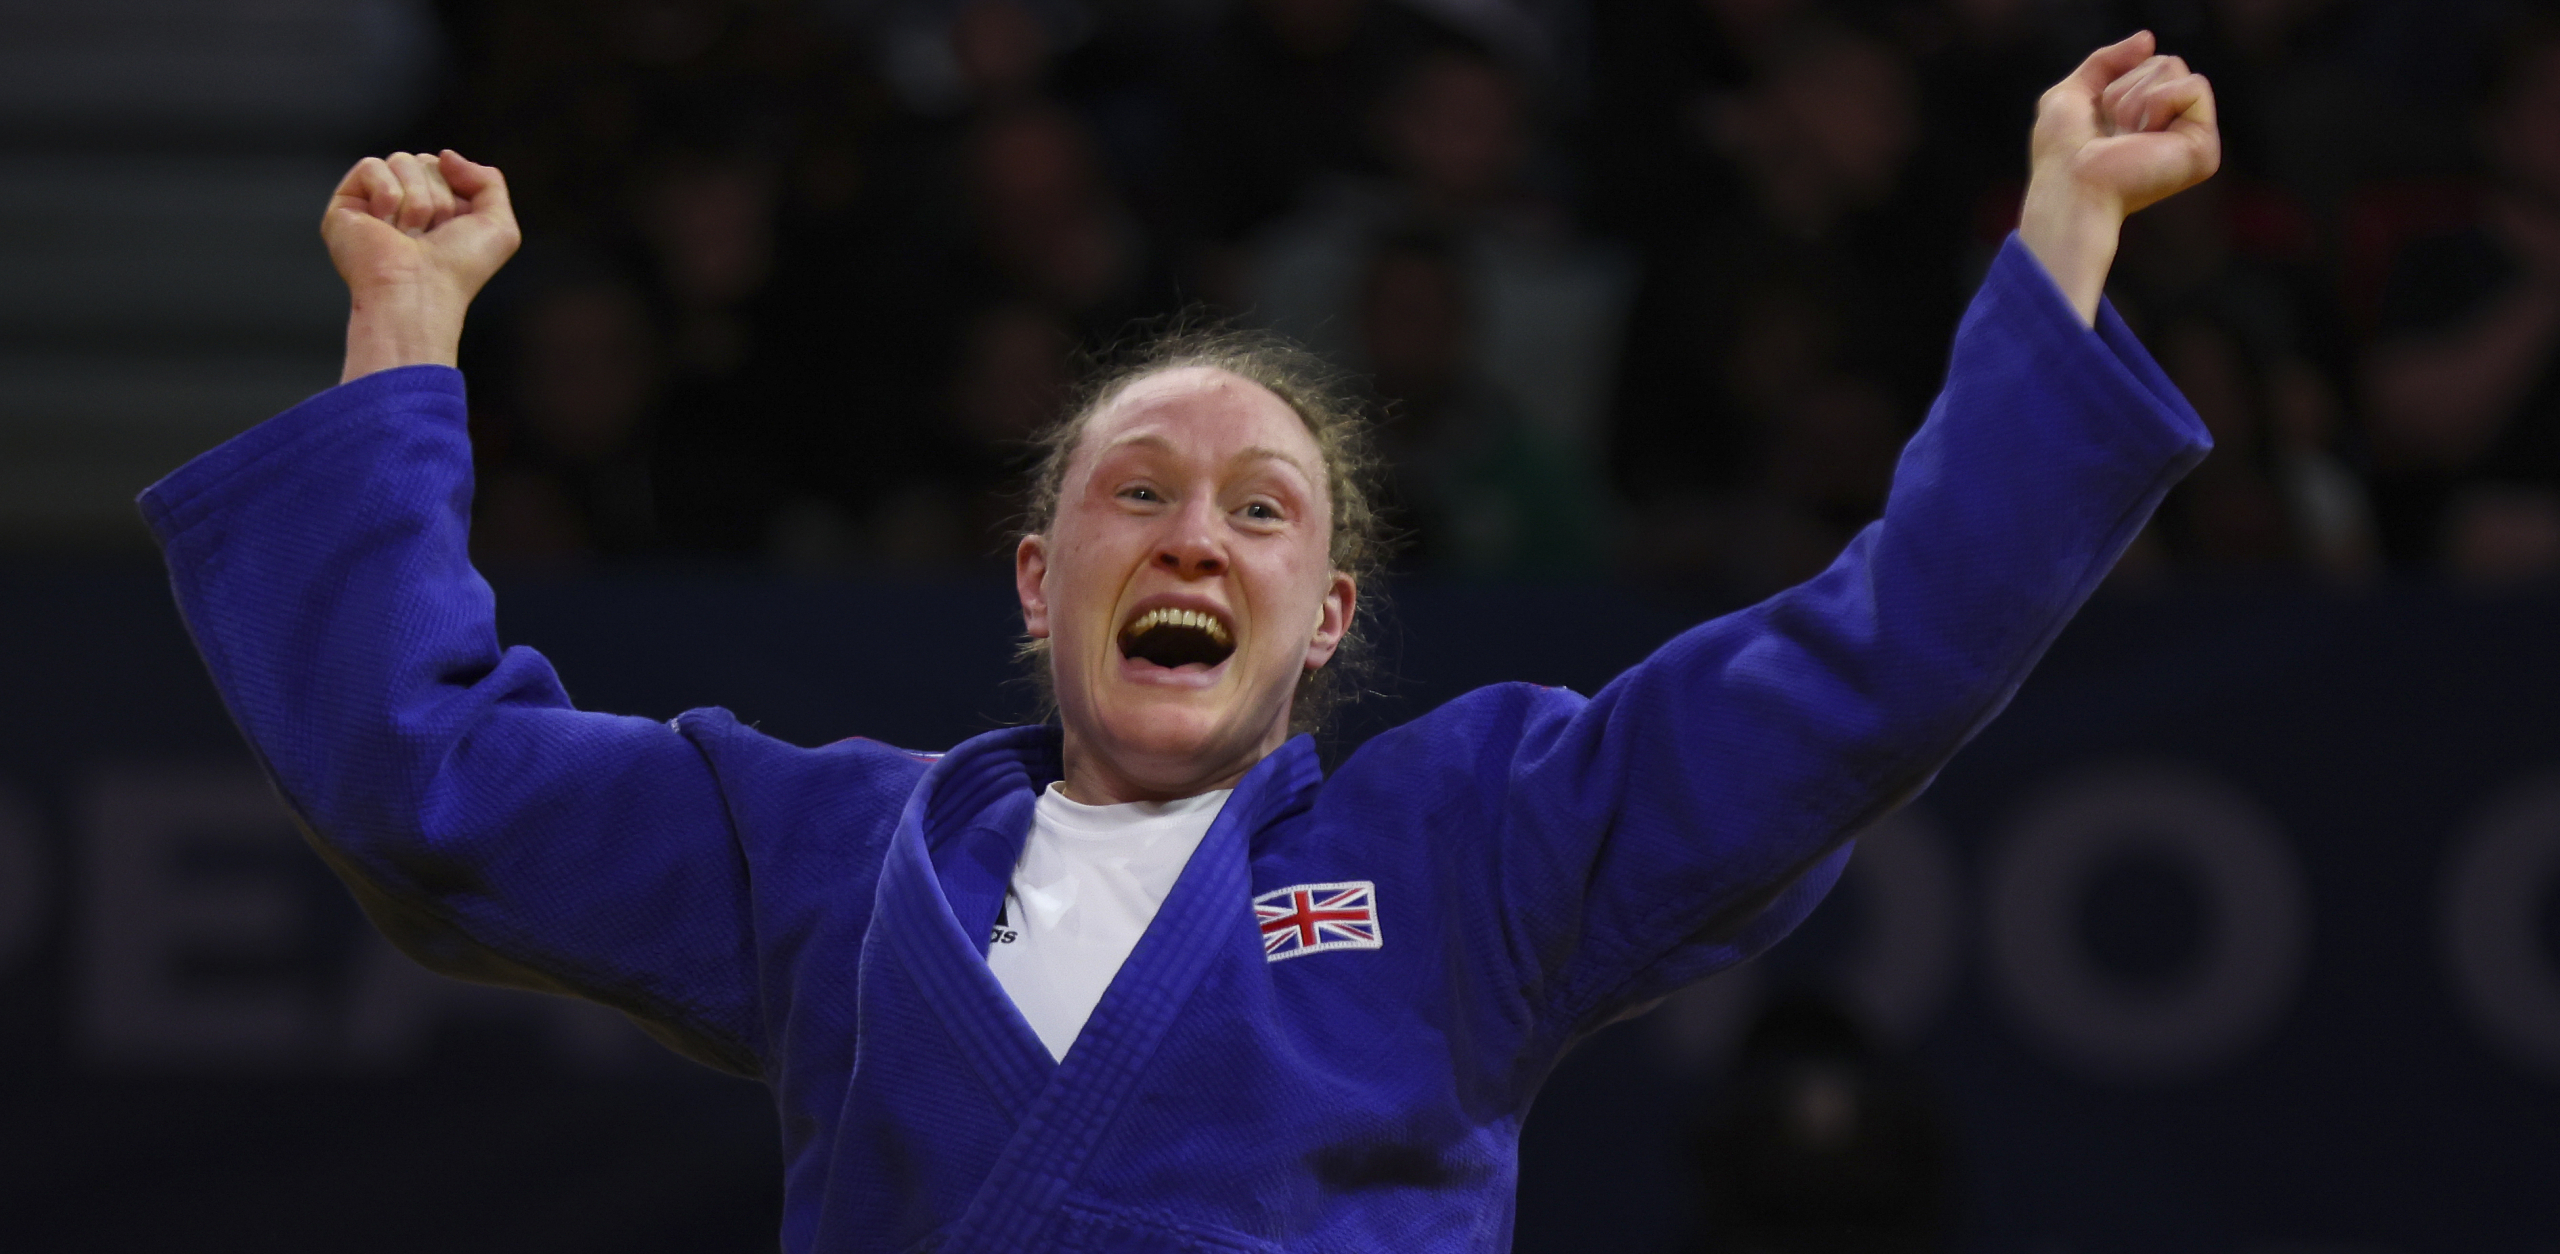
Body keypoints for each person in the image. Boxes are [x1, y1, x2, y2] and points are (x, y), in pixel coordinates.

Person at [140, 33, 2218, 1254]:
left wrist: (2060, 234)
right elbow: (429, 788)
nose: (1193, 532)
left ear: (1326, 623)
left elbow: (1868, 664)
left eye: (1260, 508)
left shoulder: (1473, 847)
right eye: (1134, 490)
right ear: (1034, 583)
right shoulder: (834, 860)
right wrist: (402, 326)